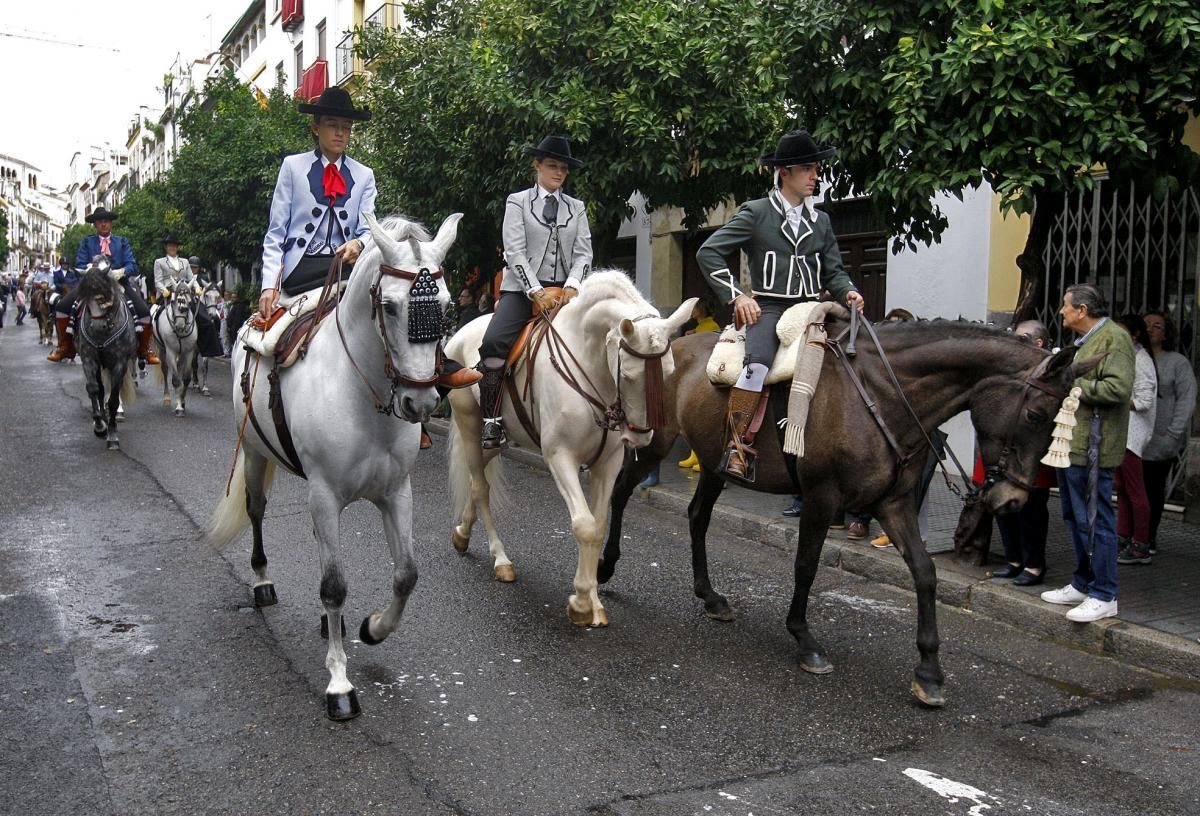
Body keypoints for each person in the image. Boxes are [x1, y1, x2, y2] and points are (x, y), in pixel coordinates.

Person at [260, 87, 478, 392]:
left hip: (349, 268)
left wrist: (359, 244)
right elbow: (275, 233)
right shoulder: (293, 168)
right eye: (333, 125)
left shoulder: (364, 175)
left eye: (346, 128)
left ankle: (433, 369)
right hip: (303, 268)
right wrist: (269, 284)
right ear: (315, 127)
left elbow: (367, 226)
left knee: (401, 301)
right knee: (272, 337)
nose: (340, 133)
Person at [696, 128, 864, 481]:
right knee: (756, 365)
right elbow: (708, 252)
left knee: (856, 356)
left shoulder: (822, 221)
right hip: (770, 307)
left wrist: (848, 291)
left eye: (816, 168)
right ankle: (738, 445)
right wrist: (738, 296)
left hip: (813, 307)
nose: (815, 176)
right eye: (807, 169)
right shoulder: (757, 212)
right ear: (784, 173)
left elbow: (834, 271)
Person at [473, 135, 593, 449]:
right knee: (494, 342)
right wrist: (535, 290)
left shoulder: (577, 208)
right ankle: (492, 421)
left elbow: (584, 254)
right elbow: (514, 251)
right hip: (522, 291)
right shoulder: (518, 202)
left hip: (566, 291)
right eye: (552, 165)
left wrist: (573, 286)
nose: (558, 172)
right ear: (537, 165)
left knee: (596, 340)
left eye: (564, 168)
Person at [1040, 284, 1134, 623]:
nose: (1062, 311)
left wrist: (1071, 384)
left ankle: (1104, 594)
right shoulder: (1085, 341)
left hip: (1094, 447)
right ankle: (1082, 583)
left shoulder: (1114, 339)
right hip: (1071, 445)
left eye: (1066, 306)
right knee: (1075, 518)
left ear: (1082, 310)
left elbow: (1119, 388)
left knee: (1095, 521)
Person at [988, 320, 1056, 586]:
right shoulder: (1009, 365)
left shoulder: (1050, 369)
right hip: (1005, 444)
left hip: (1031, 447)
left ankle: (1034, 564)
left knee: (1032, 511)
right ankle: (1013, 559)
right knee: (1003, 505)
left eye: (1022, 338)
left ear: (1038, 342)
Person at [48, 207, 159, 364]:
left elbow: (132, 265)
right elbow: (80, 263)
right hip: (91, 283)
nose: (104, 224)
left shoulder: (122, 242)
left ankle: (144, 349)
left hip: (118, 283)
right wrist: (91, 269)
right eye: (100, 222)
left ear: (111, 223)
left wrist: (120, 271)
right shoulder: (87, 242)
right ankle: (65, 346)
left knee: (144, 311)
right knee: (61, 308)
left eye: (106, 221)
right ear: (95, 225)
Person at [1140, 310, 1197, 556]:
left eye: (1158, 326)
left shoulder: (1176, 362)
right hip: (1133, 438)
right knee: (1131, 491)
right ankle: (1129, 535)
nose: (1152, 329)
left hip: (1161, 438)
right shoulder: (1134, 358)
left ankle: (1147, 537)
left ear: (1166, 334)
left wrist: (1173, 434)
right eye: (1147, 325)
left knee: (1152, 491)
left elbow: (1187, 399)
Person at [1113, 314, 1158, 565]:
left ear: (1134, 335)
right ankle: (1124, 534)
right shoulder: (1128, 357)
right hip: (1123, 430)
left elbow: (1144, 401)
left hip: (1133, 432)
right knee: (1122, 487)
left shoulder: (1141, 361)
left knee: (1134, 489)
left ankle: (1140, 543)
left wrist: (1115, 399)